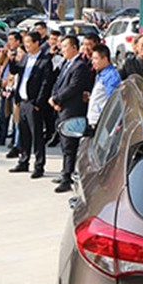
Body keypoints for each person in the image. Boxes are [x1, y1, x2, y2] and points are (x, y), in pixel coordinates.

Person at [49, 35, 93, 193]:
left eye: (65, 46)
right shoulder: (66, 64)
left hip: (72, 110)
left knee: (69, 145)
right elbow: (58, 83)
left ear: (74, 48)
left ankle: (67, 178)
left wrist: (57, 98)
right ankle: (65, 172)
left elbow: (74, 87)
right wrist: (54, 97)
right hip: (62, 108)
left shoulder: (80, 66)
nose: (62, 49)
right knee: (64, 144)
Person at [8, 31, 53, 179]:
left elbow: (46, 84)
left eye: (28, 42)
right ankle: (23, 161)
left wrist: (38, 103)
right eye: (25, 42)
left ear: (36, 43)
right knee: (24, 134)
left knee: (37, 136)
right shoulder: (25, 57)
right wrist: (12, 60)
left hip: (34, 103)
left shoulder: (45, 60)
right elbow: (15, 71)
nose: (26, 45)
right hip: (22, 101)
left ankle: (39, 165)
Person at [0, 32, 22, 150]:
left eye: (12, 40)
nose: (9, 42)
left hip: (13, 87)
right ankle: (1, 136)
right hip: (5, 88)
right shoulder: (8, 52)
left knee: (15, 115)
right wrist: (4, 52)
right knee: (3, 114)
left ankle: (15, 139)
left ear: (18, 41)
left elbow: (16, 71)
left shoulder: (20, 53)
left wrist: (9, 80)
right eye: (8, 39)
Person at [87, 44, 121, 131]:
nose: (93, 62)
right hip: (96, 120)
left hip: (102, 122)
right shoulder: (101, 74)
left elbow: (113, 100)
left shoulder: (111, 76)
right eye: (92, 59)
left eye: (95, 58)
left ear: (105, 59)